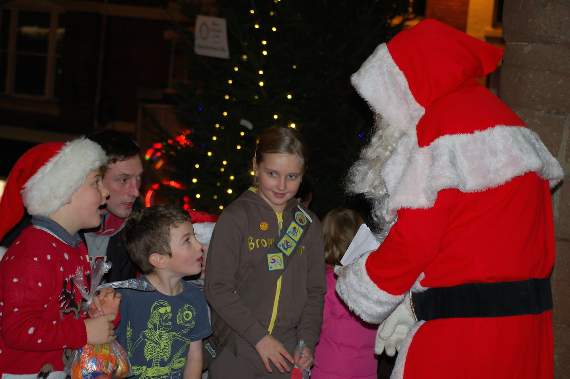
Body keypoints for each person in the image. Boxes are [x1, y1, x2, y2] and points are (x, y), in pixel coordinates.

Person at [335, 19, 563, 379]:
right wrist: (414, 304)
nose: (379, 117)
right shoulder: (511, 130)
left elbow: (413, 243)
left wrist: (359, 282)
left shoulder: (437, 136)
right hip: (525, 335)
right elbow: (482, 245)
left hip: (462, 343)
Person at [204, 126, 326, 379]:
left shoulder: (309, 224)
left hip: (287, 353)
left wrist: (307, 341)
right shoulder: (235, 217)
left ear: (303, 176)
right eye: (272, 173)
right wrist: (260, 338)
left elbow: (315, 292)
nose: (282, 185)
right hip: (237, 347)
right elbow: (217, 288)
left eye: (292, 176)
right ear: (255, 167)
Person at [0, 138, 117, 377]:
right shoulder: (32, 251)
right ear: (63, 191)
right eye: (96, 182)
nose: (106, 193)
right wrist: (84, 331)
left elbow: (66, 312)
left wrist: (96, 312)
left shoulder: (73, 246)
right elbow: (18, 329)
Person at [117, 204, 212, 379]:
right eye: (187, 241)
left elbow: (194, 358)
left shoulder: (195, 296)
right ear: (159, 259)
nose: (200, 246)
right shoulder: (126, 298)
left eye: (195, 237)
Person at [311, 208, 377, 379]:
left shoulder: (324, 281)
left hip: (328, 368)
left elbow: (313, 323)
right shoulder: (373, 281)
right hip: (366, 369)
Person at [83, 129, 144, 282]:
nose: (135, 192)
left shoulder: (141, 232)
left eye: (138, 179)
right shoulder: (57, 228)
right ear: (95, 178)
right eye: (123, 180)